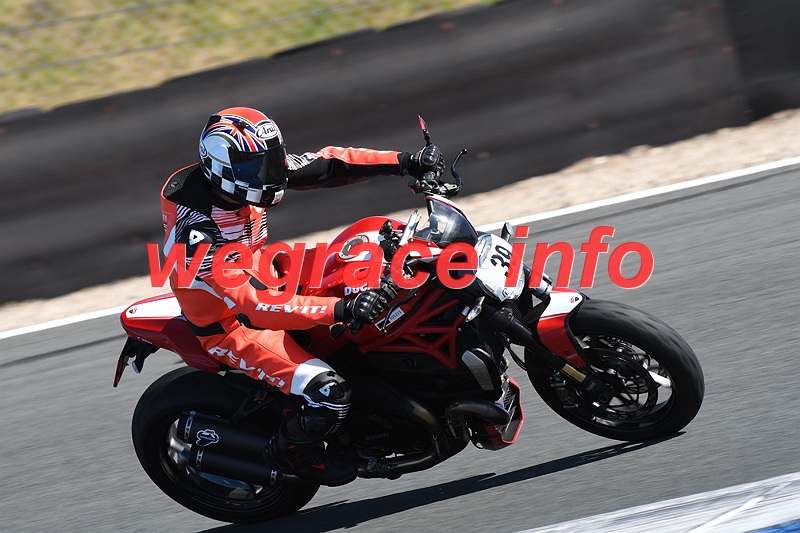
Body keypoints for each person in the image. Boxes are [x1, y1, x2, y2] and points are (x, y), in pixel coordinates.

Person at [160, 106, 444, 486]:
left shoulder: (245, 174)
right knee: (329, 392)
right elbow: (255, 307)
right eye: (261, 167)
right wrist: (341, 309)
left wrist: (406, 162)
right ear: (222, 168)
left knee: (377, 248)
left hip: (271, 273)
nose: (273, 173)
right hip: (234, 324)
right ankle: (292, 452)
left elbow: (327, 164)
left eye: (273, 160)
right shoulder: (197, 236)